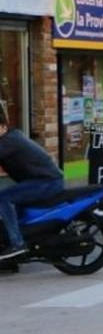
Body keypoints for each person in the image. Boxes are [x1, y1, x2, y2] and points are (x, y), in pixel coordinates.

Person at [0, 106, 66, 263]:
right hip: (38, 181)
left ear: (3, 126)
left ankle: (17, 244)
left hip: (48, 181)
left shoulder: (10, 140)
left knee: (4, 198)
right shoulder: (9, 138)